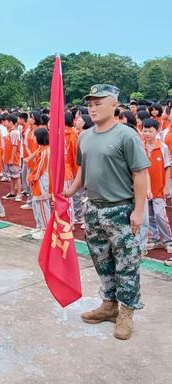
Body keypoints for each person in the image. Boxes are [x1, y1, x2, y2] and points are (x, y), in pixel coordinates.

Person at [64, 84, 149, 340]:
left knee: (127, 263)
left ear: (114, 105)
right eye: (90, 103)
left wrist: (138, 211)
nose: (92, 108)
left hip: (120, 210)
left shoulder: (127, 135)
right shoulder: (85, 136)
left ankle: (126, 311)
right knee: (102, 261)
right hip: (94, 209)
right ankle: (109, 304)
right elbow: (83, 169)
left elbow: (140, 174)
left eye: (98, 103)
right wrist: (72, 190)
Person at [142, 119, 172, 260]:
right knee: (148, 216)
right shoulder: (140, 147)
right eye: (144, 130)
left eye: (150, 130)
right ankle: (154, 238)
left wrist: (166, 186)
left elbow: (167, 167)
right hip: (144, 188)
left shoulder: (163, 148)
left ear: (157, 131)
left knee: (160, 214)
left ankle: (167, 240)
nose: (147, 133)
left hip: (159, 187)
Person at [25, 127, 51, 239]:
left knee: (42, 207)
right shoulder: (42, 149)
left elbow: (39, 170)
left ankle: (46, 230)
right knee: (37, 206)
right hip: (38, 183)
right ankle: (40, 226)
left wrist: (30, 178)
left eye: (34, 136)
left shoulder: (45, 152)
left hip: (42, 183)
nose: (33, 138)